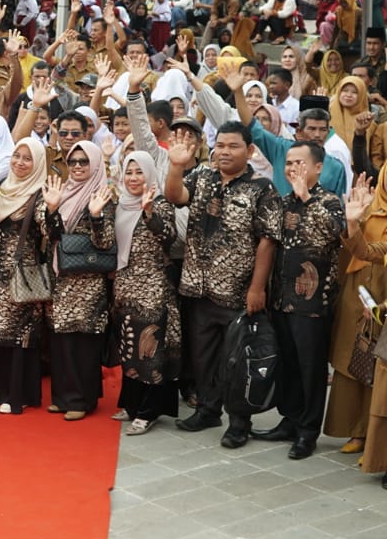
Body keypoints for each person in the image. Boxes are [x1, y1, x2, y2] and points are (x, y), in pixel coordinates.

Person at [165, 121, 282, 449]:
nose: (225, 151)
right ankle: (208, 409)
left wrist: (257, 289)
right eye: (221, 145)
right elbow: (175, 195)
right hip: (198, 287)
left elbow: (267, 242)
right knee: (202, 356)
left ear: (250, 150)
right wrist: (176, 166)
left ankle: (239, 422)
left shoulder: (262, 188)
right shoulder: (202, 176)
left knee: (237, 360)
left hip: (237, 292)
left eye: (233, 146)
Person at [250, 142, 345, 459]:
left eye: (300, 163)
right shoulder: (280, 202)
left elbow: (334, 233)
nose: (293, 169)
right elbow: (268, 243)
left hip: (313, 304)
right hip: (281, 298)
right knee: (287, 364)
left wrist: (306, 197)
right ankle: (289, 420)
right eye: (289, 163)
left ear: (318, 168)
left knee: (310, 368)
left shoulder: (330, 202)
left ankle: (308, 430)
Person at [39, 140, 115, 421]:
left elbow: (106, 242)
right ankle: (62, 396)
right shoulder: (62, 192)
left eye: (84, 162)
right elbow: (51, 236)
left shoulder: (104, 195)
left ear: (94, 164)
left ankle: (81, 400)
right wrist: (51, 209)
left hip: (89, 282)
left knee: (84, 343)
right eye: (73, 162)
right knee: (61, 342)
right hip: (61, 281)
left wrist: (95, 216)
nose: (79, 167)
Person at [111, 151, 181, 435]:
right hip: (124, 286)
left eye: (139, 172)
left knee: (149, 349)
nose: (133, 178)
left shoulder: (160, 203)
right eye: (129, 172)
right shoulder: (120, 204)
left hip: (153, 287)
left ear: (150, 174)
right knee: (129, 348)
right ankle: (130, 404)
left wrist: (150, 213)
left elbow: (169, 236)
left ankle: (149, 411)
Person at [0, 138, 49, 415]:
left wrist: (53, 211)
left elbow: (48, 230)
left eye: (27, 158)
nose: (20, 163)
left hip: (23, 275)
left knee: (20, 335)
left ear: (38, 164)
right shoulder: (1, 188)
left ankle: (16, 394)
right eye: (17, 156)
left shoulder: (40, 194)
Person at [329, 166, 387, 456]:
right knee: (353, 359)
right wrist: (354, 221)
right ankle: (356, 431)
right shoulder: (369, 207)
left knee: (379, 369)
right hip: (359, 291)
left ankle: (375, 439)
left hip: (383, 296)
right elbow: (357, 251)